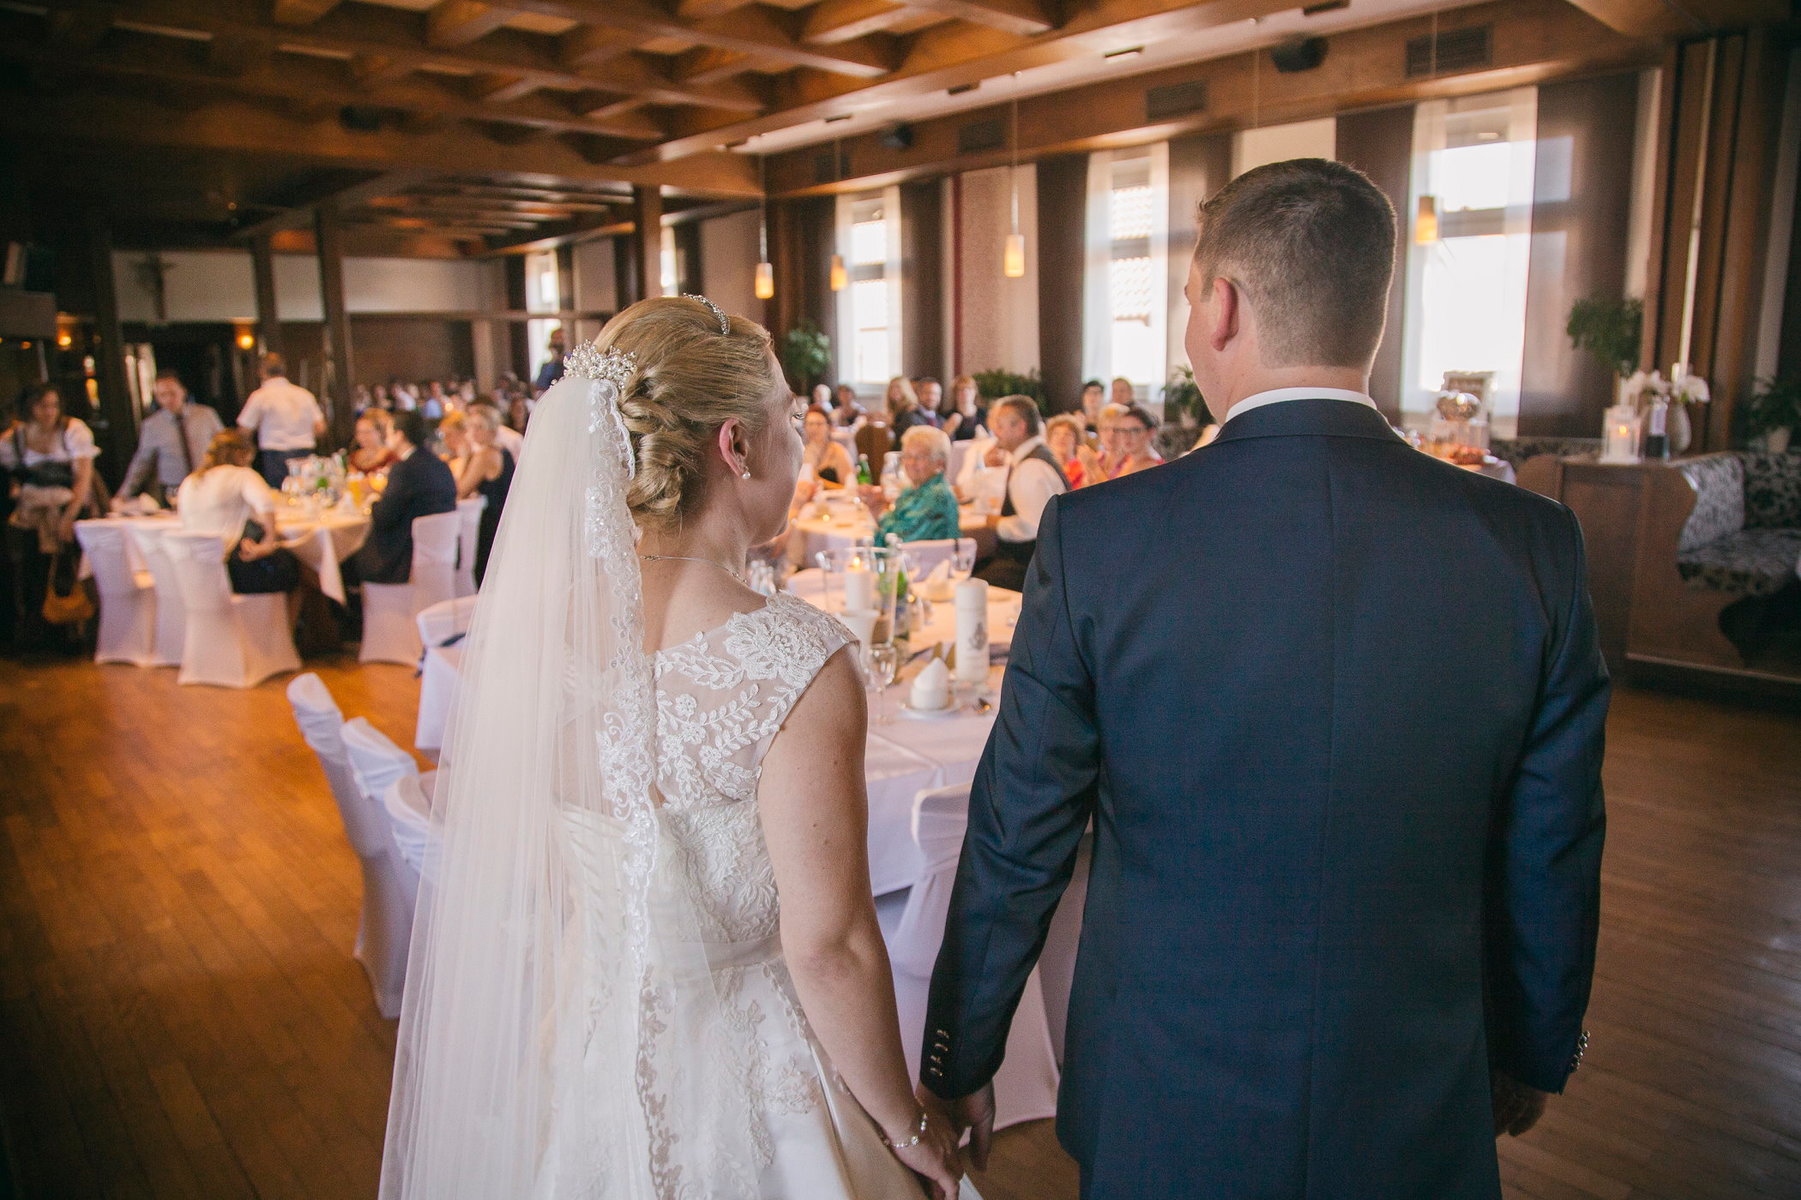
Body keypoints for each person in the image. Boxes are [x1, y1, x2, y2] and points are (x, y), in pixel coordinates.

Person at [922, 158, 1607, 1199]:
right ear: (1370, 314)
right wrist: (1531, 1049)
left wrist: (959, 1056)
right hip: (1417, 1083)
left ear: (1223, 306)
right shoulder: (1530, 544)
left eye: (1192, 295)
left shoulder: (1103, 537)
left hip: (1164, 1082)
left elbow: (1021, 829)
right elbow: (1552, 842)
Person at [380, 295, 963, 1200]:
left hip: (587, 1043)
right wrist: (908, 1123)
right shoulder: (794, 660)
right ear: (735, 446)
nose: (802, 447)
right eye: (789, 423)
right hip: (754, 1079)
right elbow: (830, 945)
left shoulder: (547, 640)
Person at [2, 384, 100, 649]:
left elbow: (83, 478)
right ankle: (42, 637)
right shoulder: (15, 438)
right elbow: (13, 476)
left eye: (54, 405)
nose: (49, 412)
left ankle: (76, 633)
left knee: (70, 571)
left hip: (69, 506)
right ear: (30, 407)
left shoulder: (72, 430)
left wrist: (69, 517)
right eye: (42, 405)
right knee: (35, 572)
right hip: (32, 514)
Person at [176, 430, 300, 597]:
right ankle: (286, 623)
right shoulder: (242, 475)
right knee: (294, 568)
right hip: (229, 570)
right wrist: (268, 541)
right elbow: (265, 504)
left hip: (194, 573)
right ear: (241, 454)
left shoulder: (190, 481)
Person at [969, 395, 1066, 592]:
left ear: (1020, 427)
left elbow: (1034, 527)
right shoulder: (1033, 459)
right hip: (1029, 565)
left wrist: (998, 523)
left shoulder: (1031, 467)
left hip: (1030, 569)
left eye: (1001, 426)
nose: (996, 432)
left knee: (969, 588)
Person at [349, 409, 456, 586]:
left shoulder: (404, 469)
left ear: (399, 435)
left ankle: (352, 612)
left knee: (348, 560)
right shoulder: (439, 464)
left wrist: (372, 498)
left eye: (389, 432)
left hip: (403, 558)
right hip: (441, 553)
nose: (387, 437)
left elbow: (384, 517)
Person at [116, 369, 224, 507]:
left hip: (208, 481)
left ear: (183, 391)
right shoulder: (152, 425)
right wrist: (124, 493)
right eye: (162, 395)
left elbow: (224, 446)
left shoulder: (206, 415)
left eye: (172, 393)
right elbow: (142, 462)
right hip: (174, 489)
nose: (168, 399)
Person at [859, 425, 959, 544]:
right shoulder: (910, 492)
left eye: (920, 457)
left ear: (940, 464)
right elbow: (889, 537)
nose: (911, 463)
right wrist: (877, 507)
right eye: (907, 456)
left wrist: (881, 512)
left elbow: (901, 540)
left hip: (927, 561)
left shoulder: (938, 495)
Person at [238, 353, 326, 487]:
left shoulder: (260, 396)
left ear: (261, 371)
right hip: (305, 452)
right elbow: (320, 428)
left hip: (275, 455)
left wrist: (246, 450)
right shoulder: (304, 394)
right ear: (284, 370)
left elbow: (244, 429)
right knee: (307, 491)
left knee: (282, 495)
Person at [451, 404, 514, 587]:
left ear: (492, 429)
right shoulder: (503, 451)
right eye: (472, 426)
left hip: (491, 523)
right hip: (503, 518)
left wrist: (464, 457)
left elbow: (461, 490)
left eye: (480, 427)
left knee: (486, 575)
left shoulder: (485, 456)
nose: (474, 432)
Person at [1079, 400, 1164, 484]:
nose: (1127, 436)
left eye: (1134, 430)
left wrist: (1094, 467)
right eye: (1122, 430)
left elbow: (1113, 494)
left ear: (1151, 432)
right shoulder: (1133, 461)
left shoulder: (1148, 465)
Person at [800, 405, 855, 487]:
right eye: (810, 424)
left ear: (828, 426)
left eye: (819, 424)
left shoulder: (838, 451)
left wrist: (818, 479)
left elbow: (850, 487)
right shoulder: (801, 452)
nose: (814, 428)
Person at [1043, 413, 1087, 489]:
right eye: (1056, 434)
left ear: (1076, 441)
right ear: (1049, 440)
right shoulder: (1044, 468)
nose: (1061, 437)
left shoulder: (1083, 469)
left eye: (1067, 434)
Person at [348, 410, 397, 476]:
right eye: (359, 432)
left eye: (367, 432)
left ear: (380, 432)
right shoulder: (353, 458)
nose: (361, 437)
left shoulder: (391, 458)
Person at [939, 376, 986, 441]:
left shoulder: (984, 414)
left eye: (969, 389)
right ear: (955, 394)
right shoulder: (946, 416)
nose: (965, 392)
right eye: (961, 390)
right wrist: (947, 429)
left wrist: (985, 437)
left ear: (975, 392)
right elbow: (940, 443)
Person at [533, 326, 566, 394]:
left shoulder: (572, 361)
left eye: (560, 338)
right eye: (555, 339)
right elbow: (541, 386)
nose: (558, 341)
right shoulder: (547, 366)